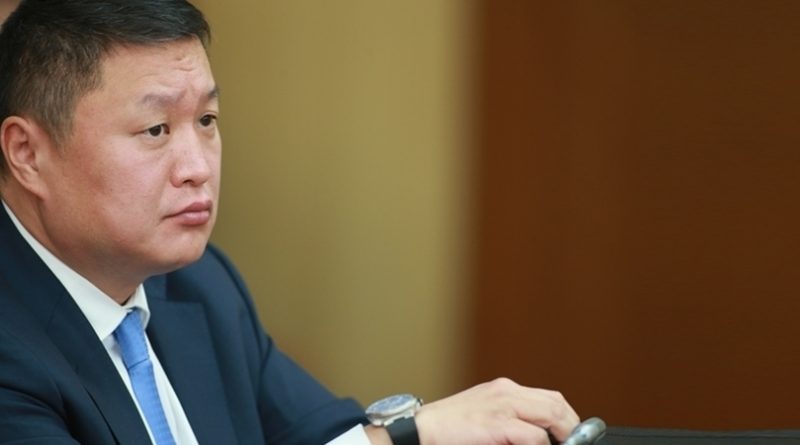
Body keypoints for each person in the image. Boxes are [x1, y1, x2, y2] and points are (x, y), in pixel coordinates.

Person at [0, 1, 580, 444]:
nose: (198, 168)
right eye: (156, 130)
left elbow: (326, 434)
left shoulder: (198, 286)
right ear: (27, 153)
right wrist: (408, 437)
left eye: (206, 120)